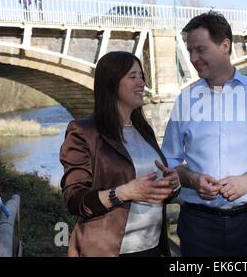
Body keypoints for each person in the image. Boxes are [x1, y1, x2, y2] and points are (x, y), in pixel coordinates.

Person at [162, 11, 247, 257]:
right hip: (198, 226)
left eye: (200, 50)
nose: (193, 58)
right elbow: (168, 163)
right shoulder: (186, 100)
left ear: (225, 45)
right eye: (190, 51)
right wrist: (193, 179)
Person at [60, 51, 181, 257]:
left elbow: (153, 192)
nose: (141, 83)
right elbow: (74, 200)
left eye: (141, 76)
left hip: (152, 248)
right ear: (111, 83)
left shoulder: (144, 130)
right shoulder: (84, 132)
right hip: (109, 250)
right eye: (132, 77)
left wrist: (172, 183)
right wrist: (125, 192)